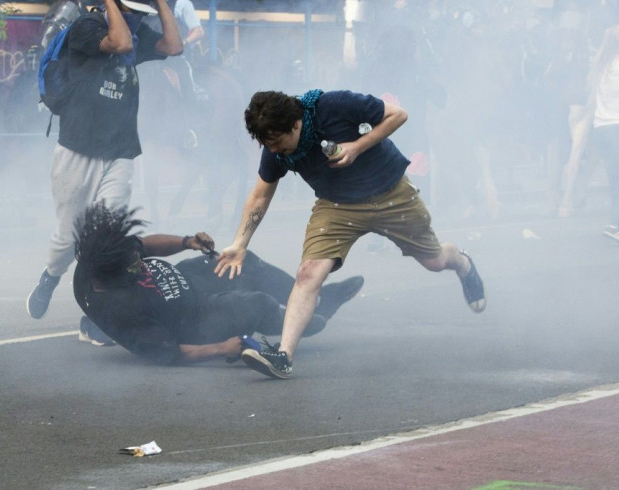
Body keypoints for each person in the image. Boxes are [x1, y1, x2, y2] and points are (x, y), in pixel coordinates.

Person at [214, 89, 486, 379]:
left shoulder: (333, 105)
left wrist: (357, 147)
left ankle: (462, 262)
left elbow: (398, 115)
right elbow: (259, 196)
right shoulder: (275, 149)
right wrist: (240, 243)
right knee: (308, 273)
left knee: (435, 261)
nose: (276, 151)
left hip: (391, 193)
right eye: (270, 145)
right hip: (337, 205)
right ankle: (283, 356)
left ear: (295, 124)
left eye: (279, 143)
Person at [26, 0, 183, 345]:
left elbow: (174, 46)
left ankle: (98, 314)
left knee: (110, 237)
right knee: (68, 238)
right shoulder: (86, 28)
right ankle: (51, 276)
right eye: (135, 11)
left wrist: (160, 6)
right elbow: (121, 44)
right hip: (77, 150)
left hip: (120, 151)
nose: (139, 18)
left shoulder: (137, 32)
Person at [72, 203, 364, 364]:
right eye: (133, 265)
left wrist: (187, 242)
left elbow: (145, 245)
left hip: (187, 277)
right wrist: (220, 348)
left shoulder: (104, 255)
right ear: (111, 276)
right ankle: (303, 321)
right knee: (256, 305)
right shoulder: (117, 312)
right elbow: (166, 351)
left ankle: (315, 298)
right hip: (197, 320)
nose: (139, 261)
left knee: (241, 262)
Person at [559, 25, 619, 241]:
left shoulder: (601, 66)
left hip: (602, 128)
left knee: (615, 178)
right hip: (615, 128)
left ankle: (615, 223)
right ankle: (615, 225)